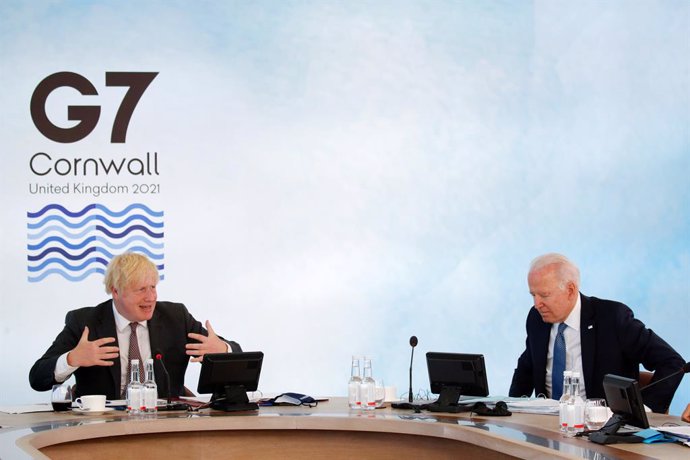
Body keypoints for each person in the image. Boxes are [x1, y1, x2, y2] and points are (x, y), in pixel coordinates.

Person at [29, 252, 241, 399]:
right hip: (103, 429)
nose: (151, 297)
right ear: (116, 291)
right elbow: (37, 378)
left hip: (166, 426)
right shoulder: (86, 322)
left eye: (153, 287)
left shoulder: (176, 317)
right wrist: (71, 359)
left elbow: (237, 357)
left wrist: (223, 351)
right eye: (141, 289)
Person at [509, 253, 684, 414]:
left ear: (570, 290)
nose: (537, 303)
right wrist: (509, 409)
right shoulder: (537, 318)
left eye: (544, 295)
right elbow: (527, 368)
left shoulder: (612, 318)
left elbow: (672, 363)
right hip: (546, 425)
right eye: (533, 295)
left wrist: (644, 409)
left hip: (598, 427)